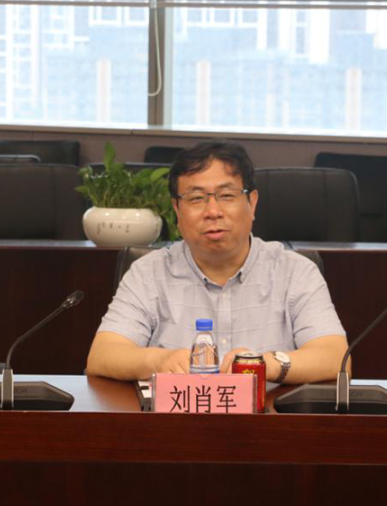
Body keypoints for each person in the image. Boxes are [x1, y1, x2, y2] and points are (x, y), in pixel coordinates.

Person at [86, 140, 347, 384]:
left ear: (252, 203)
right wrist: (161, 361)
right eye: (196, 198)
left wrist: (264, 365)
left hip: (267, 417)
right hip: (175, 417)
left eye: (226, 195)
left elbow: (336, 358)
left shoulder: (295, 272)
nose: (213, 211)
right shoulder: (148, 273)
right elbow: (103, 355)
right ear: (177, 210)